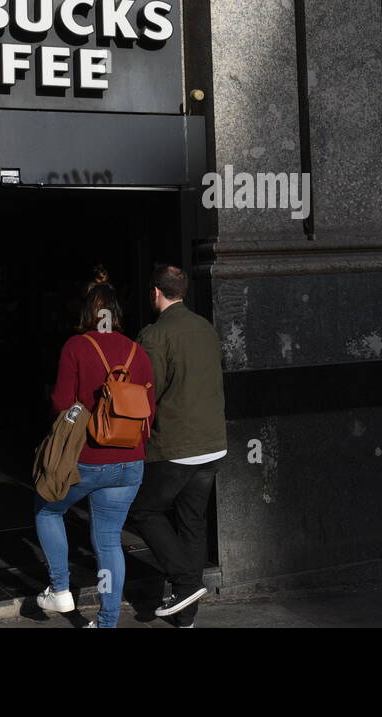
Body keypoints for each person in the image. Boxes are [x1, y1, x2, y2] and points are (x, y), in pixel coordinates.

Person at [34, 278, 155, 628]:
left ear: (88, 311)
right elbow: (150, 409)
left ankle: (59, 589)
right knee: (109, 540)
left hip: (89, 458)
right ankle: (106, 622)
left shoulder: (76, 346)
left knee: (47, 507)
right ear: (116, 314)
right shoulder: (138, 351)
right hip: (131, 462)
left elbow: (61, 402)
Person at [130, 264, 227, 627]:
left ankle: (186, 584)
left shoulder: (156, 335)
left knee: (144, 510)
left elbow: (146, 393)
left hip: (177, 446)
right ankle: (186, 616)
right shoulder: (206, 328)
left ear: (155, 292)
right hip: (213, 444)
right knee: (192, 520)